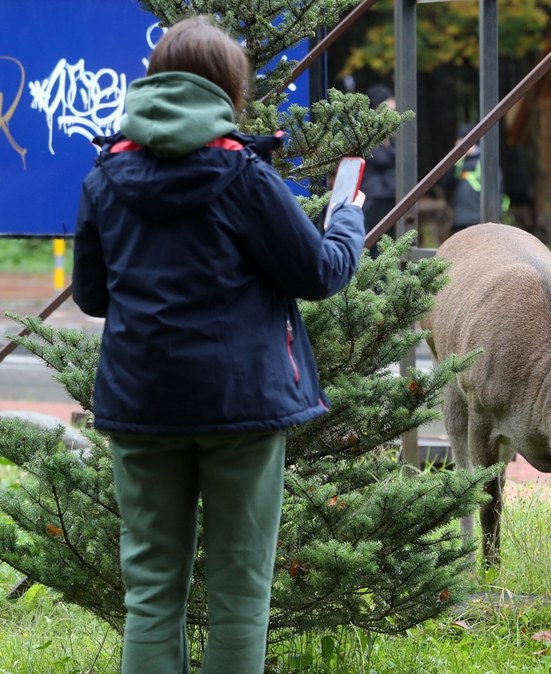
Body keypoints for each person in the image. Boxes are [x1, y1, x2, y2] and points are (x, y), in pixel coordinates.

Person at [71, 16, 363, 674]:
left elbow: (91, 297)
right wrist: (347, 221)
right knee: (238, 595)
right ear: (230, 91)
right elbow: (319, 273)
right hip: (242, 408)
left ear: (154, 84)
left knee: (149, 595)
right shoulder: (244, 177)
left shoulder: (105, 178)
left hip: (140, 406)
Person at [441, 123, 503, 236]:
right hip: (460, 219)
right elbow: (446, 185)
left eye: (463, 141)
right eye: (458, 140)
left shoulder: (485, 160)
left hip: (480, 219)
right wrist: (455, 161)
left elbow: (496, 189)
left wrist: (496, 215)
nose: (459, 144)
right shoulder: (459, 163)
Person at [362, 83, 396, 247]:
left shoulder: (388, 133)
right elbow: (382, 159)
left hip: (388, 195)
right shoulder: (369, 132)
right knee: (375, 246)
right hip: (376, 197)